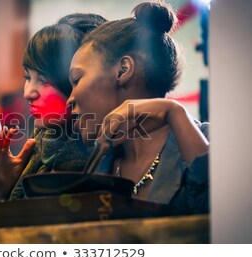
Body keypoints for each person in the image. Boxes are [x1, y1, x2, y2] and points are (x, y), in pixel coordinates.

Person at [67, 1, 209, 214]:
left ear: (124, 70)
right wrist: (2, 194)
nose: (69, 100)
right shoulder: (98, 165)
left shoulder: (210, 142)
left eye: (76, 80)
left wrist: (174, 112)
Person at [0, 13, 107, 201]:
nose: (28, 93)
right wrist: (2, 191)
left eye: (43, 81)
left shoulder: (107, 157)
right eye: (27, 78)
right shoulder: (41, 149)